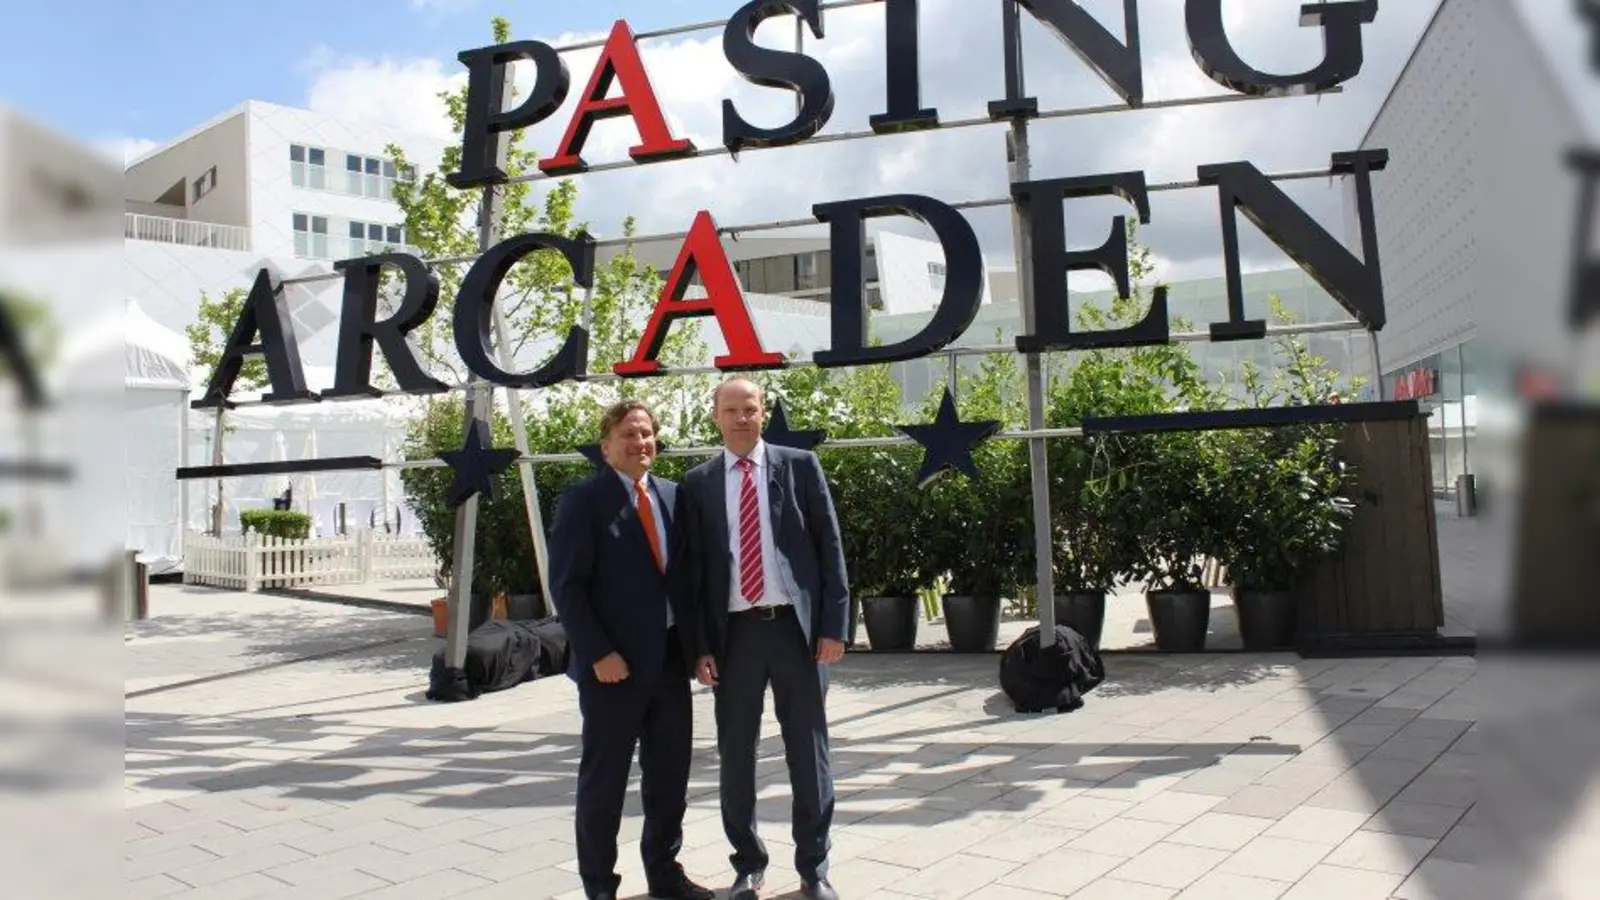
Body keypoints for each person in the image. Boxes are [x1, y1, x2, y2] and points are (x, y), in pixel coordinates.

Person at [681, 377, 850, 900]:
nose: (740, 418)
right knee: (736, 754)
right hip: (733, 638)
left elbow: (829, 546)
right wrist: (698, 648)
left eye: (749, 408)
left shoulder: (800, 466)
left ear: (762, 412)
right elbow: (690, 573)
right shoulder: (698, 482)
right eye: (730, 410)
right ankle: (747, 865)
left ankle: (814, 868)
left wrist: (833, 626)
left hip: (797, 635)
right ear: (715, 416)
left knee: (809, 751)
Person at [548, 400, 715, 900]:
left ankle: (664, 874)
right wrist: (598, 653)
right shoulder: (584, 501)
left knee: (669, 777)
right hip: (611, 670)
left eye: (647, 434)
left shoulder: (673, 496)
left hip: (668, 661)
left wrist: (700, 649)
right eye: (628, 435)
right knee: (605, 781)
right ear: (606, 447)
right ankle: (599, 884)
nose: (640, 442)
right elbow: (568, 587)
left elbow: (688, 582)